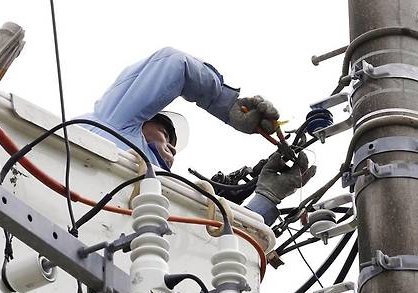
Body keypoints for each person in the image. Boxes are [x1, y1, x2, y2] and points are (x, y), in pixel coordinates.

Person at [81, 47, 316, 226]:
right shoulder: (117, 122)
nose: (172, 149)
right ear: (142, 121)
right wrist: (226, 105)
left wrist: (267, 197)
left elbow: (219, 243)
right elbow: (175, 65)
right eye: (164, 134)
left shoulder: (166, 197)